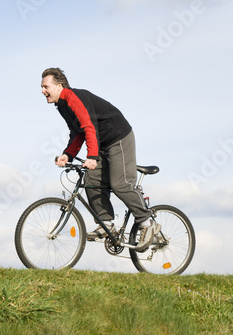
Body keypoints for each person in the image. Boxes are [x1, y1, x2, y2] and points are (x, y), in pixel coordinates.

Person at [40, 67, 160, 251]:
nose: (42, 91)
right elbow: (77, 132)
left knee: (120, 184)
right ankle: (106, 224)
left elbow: (89, 126)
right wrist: (68, 154)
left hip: (118, 137)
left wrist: (92, 156)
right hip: (101, 143)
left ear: (59, 86)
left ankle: (147, 222)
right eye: (41, 87)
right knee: (91, 179)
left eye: (45, 86)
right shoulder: (62, 105)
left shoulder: (73, 97)